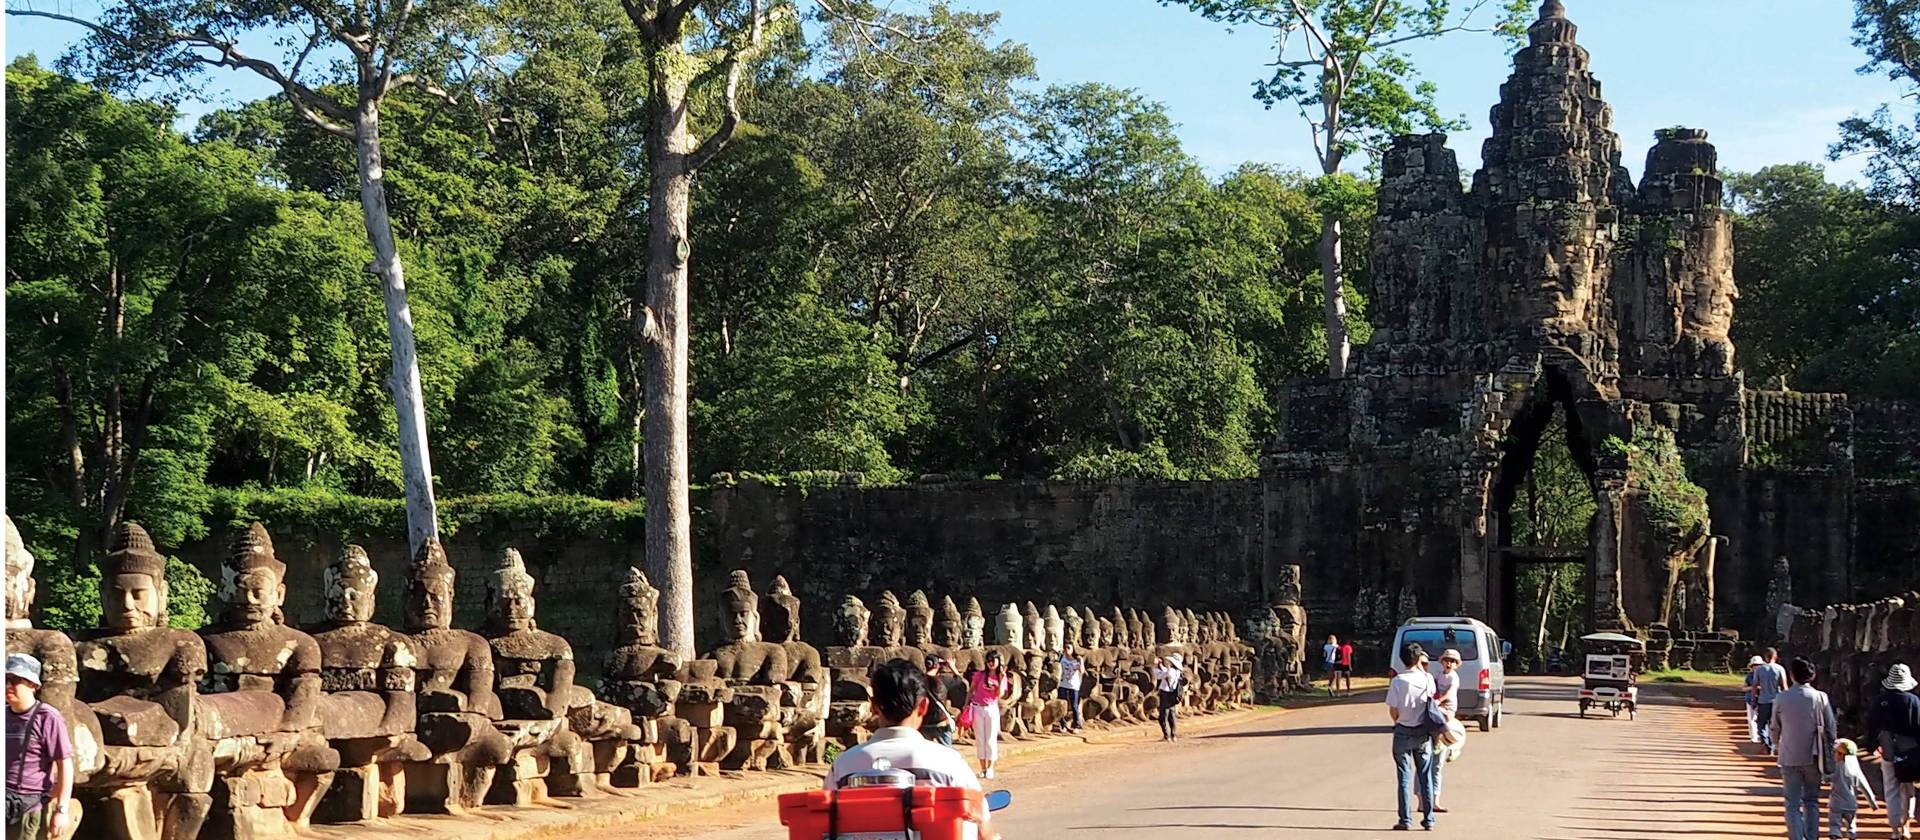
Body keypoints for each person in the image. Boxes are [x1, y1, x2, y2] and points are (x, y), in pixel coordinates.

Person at [826, 658, 981, 791]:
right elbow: (978, 819)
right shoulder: (949, 764)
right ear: (923, 707)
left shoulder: (842, 768)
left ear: (873, 707)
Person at [5, 654, 72, 840]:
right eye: (5, 679)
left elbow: (65, 765)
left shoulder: (48, 717)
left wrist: (62, 810)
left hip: (28, 809)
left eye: (16, 680)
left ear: (33, 686)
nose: (9, 685)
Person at [1771, 658, 1839, 840]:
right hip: (1814, 755)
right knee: (1811, 800)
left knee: (1792, 803)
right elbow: (1831, 727)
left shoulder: (1781, 697)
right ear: (1813, 675)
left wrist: (1778, 745)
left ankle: (1796, 836)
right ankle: (1812, 836)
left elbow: (1774, 727)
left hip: (1789, 754)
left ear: (1791, 675)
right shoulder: (1820, 697)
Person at [1386, 643, 1436, 832]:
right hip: (1423, 731)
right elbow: (1432, 702)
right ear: (1418, 659)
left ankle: (1405, 819)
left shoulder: (1398, 681)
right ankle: (1429, 819)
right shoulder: (1427, 679)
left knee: (1404, 777)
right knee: (1425, 776)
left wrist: (1399, 720)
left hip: (1403, 730)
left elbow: (1393, 709)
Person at [1868, 663, 1920, 839]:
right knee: (1908, 787)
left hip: (1888, 748)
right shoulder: (1913, 701)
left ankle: (1895, 828)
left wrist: (1873, 745)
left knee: (1891, 788)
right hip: (1910, 750)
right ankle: (1906, 823)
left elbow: (1872, 726)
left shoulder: (1880, 701)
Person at [1428, 649, 1462, 814]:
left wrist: (1438, 701)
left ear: (1456, 665)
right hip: (1438, 704)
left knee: (1444, 721)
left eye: (1452, 661)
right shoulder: (1439, 675)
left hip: (1448, 706)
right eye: (1446, 660)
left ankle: (1451, 746)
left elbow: (1449, 693)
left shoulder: (1453, 677)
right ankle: (1438, 741)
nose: (1449, 663)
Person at [1829, 738, 1880, 840]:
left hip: (1836, 804)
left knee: (1835, 824)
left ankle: (1835, 834)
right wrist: (1872, 803)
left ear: (1840, 754)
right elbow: (1865, 787)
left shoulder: (1835, 768)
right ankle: (1852, 835)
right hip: (1851, 804)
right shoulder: (1856, 771)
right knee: (1851, 824)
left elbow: (1826, 778)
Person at [968, 652, 1008, 779]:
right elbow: (972, 689)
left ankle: (990, 767)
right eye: (989, 660)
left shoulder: (1001, 677)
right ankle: (983, 768)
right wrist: (966, 704)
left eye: (994, 660)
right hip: (977, 707)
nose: (991, 663)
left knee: (990, 739)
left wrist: (1001, 679)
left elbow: (1000, 694)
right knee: (980, 739)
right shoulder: (980, 675)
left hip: (991, 708)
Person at [1752, 647, 1788, 755]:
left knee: (1761, 724)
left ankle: (1766, 744)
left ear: (1765, 657)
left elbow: (1754, 686)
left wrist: (1754, 699)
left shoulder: (1759, 670)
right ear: (1775, 657)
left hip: (1763, 700)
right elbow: (1784, 686)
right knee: (1778, 724)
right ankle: (1776, 745)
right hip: (1777, 700)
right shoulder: (1780, 669)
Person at [920, 657, 958, 747]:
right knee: (947, 752)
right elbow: (960, 681)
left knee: (925, 753)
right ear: (937, 665)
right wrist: (952, 666)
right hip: (940, 721)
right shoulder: (943, 680)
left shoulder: (919, 681)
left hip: (924, 721)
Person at [1151, 654, 1183, 742]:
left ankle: (1167, 736)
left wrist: (1154, 666)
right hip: (1173, 694)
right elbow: (1165, 672)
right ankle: (1173, 735)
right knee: (1171, 715)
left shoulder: (1170, 671)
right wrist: (1160, 665)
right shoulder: (1177, 672)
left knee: (1163, 716)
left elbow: (1159, 675)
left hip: (1165, 694)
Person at [1058, 645, 1085, 734]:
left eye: (1069, 648)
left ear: (1073, 649)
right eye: (1065, 648)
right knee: (1062, 706)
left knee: (1074, 705)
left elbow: (1082, 671)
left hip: (1074, 685)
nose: (1066, 650)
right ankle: (1063, 725)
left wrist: (1080, 662)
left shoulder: (1077, 659)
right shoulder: (1062, 657)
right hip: (1063, 684)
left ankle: (1077, 725)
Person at [1743, 655, 1765, 744]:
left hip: (1762, 699)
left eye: (1758, 665)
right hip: (1750, 699)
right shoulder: (1749, 676)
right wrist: (1753, 687)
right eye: (1754, 665)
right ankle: (1754, 737)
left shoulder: (1764, 676)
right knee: (1751, 719)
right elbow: (1744, 688)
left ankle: (1762, 736)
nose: (1756, 667)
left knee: (1762, 719)